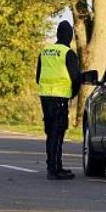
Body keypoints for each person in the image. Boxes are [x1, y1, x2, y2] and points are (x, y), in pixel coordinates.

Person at [35, 21, 82, 180]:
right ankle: (54, 169)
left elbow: (38, 76)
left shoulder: (45, 51)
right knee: (58, 132)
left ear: (57, 34)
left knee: (50, 132)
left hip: (45, 96)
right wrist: (72, 94)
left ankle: (53, 165)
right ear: (69, 36)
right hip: (60, 98)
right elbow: (76, 78)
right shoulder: (68, 53)